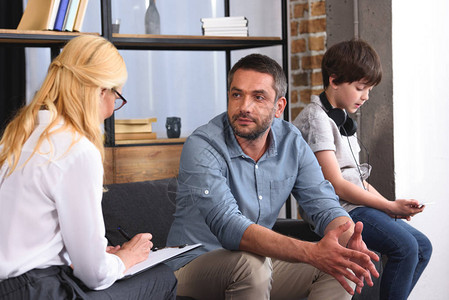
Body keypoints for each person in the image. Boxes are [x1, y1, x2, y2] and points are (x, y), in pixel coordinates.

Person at [165, 53, 379, 300]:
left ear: (279, 107)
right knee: (250, 266)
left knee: (341, 266)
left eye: (258, 97)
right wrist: (311, 252)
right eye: (237, 94)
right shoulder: (202, 145)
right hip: (191, 267)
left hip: (257, 265)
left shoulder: (292, 142)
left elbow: (323, 204)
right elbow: (229, 226)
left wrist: (349, 237)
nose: (244, 106)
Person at [0, 35, 177, 299]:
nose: (112, 108)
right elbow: (94, 275)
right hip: (39, 290)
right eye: (117, 95)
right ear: (100, 91)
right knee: (162, 278)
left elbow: (28, 235)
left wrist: (92, 256)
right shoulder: (77, 149)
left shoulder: (18, 135)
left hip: (11, 287)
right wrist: (126, 258)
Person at [293, 39, 432, 300]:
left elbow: (357, 180)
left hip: (357, 205)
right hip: (339, 209)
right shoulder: (317, 120)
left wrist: (391, 204)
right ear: (334, 81)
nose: (366, 96)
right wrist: (388, 208)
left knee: (423, 246)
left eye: (368, 89)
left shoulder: (342, 121)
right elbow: (336, 183)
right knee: (406, 247)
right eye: (360, 88)